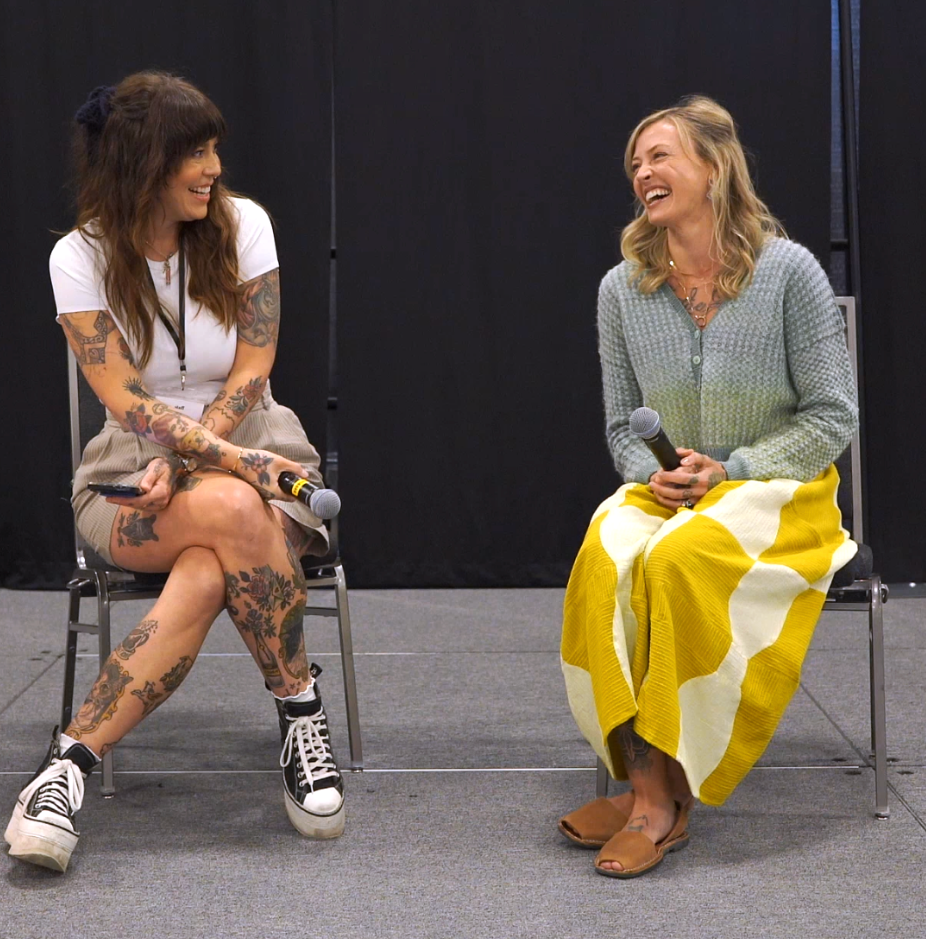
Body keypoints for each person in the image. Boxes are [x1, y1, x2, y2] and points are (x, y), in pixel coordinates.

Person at [4, 72, 345, 873]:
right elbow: (120, 395)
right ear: (139, 163)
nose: (213, 167)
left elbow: (253, 368)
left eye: (214, 148)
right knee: (235, 506)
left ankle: (65, 771)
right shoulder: (78, 255)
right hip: (130, 467)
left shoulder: (245, 227)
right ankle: (299, 706)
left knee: (208, 555)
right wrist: (215, 462)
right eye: (194, 151)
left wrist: (201, 453)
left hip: (251, 440)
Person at [557, 96, 858, 878]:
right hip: (670, 491)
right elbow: (623, 428)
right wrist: (647, 472)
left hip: (779, 489)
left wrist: (736, 466)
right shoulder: (621, 289)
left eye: (660, 156)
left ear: (714, 168)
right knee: (605, 555)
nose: (642, 172)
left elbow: (833, 416)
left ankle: (660, 804)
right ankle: (644, 782)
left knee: (676, 561)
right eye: (636, 162)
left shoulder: (789, 272)